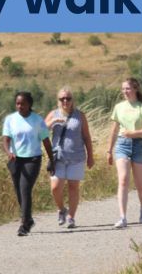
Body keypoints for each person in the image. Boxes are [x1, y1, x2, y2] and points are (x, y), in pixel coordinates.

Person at [106, 78, 142, 228]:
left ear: (135, 89)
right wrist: (109, 150)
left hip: (140, 145)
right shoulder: (119, 107)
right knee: (123, 180)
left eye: (127, 89)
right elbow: (114, 130)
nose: (125, 92)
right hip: (122, 144)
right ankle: (122, 217)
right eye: (123, 89)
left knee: (140, 183)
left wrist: (135, 133)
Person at [2, 92, 54, 236]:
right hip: (15, 159)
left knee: (25, 189)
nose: (20, 106)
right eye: (17, 103)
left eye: (23, 104)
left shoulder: (37, 120)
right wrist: (8, 152)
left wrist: (52, 159)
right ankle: (29, 218)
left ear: (29, 104)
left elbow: (46, 141)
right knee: (19, 190)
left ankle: (24, 224)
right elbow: (5, 139)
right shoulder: (10, 119)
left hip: (32, 159)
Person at [45, 87, 94, 229]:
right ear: (58, 101)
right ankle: (61, 209)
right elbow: (41, 131)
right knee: (55, 187)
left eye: (68, 98)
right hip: (58, 157)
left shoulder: (80, 116)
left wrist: (90, 156)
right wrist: (52, 122)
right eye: (62, 99)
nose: (65, 101)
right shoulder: (53, 114)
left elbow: (86, 136)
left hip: (77, 156)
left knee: (74, 187)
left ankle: (71, 217)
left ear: (73, 100)